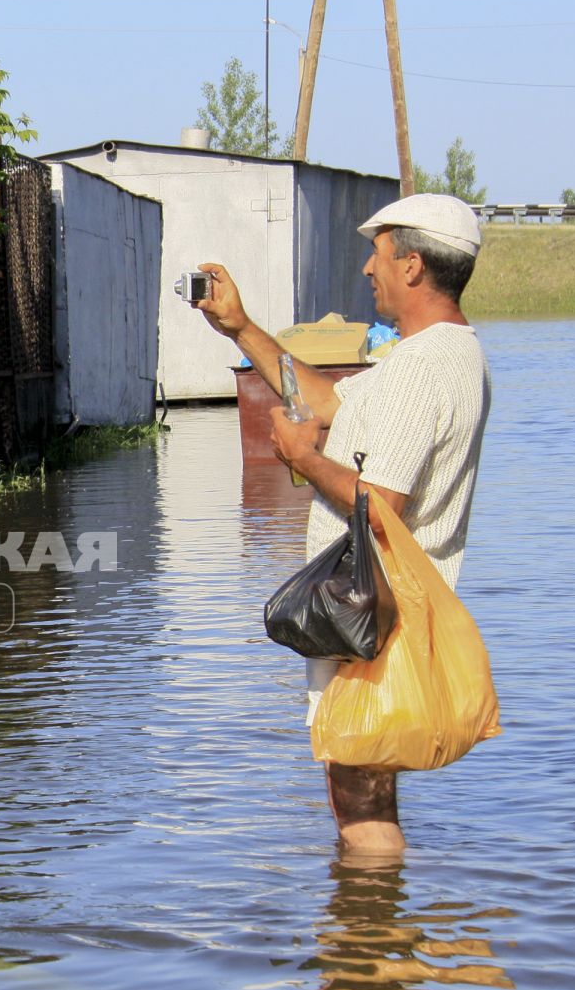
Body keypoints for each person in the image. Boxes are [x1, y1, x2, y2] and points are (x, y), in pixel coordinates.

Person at [197, 193, 492, 855]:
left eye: (378, 253)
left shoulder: (421, 369)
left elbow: (380, 505)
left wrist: (301, 457)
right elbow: (326, 399)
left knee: (357, 786)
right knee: (364, 775)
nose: (367, 269)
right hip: (382, 607)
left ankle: (364, 944)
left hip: (373, 611)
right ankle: (375, 935)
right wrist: (241, 327)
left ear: (412, 266)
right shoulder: (435, 357)